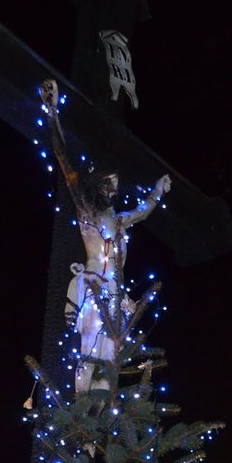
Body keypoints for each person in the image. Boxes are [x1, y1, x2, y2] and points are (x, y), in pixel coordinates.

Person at [39, 78, 171, 400]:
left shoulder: (119, 220)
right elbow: (63, 159)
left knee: (111, 353)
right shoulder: (87, 213)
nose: (112, 191)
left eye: (115, 186)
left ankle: (100, 405)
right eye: (106, 185)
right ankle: (84, 404)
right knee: (88, 348)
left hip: (114, 293)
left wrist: (158, 191)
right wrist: (52, 112)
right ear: (96, 187)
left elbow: (142, 211)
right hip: (93, 287)